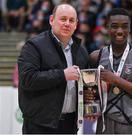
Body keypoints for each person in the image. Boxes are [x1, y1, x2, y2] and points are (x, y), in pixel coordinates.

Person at [18, 3, 89, 134]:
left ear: (76, 25)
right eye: (63, 19)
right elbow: (27, 79)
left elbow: (86, 85)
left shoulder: (81, 51)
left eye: (71, 20)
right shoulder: (33, 46)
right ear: (51, 20)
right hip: (39, 125)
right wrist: (62, 75)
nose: (67, 23)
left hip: (70, 124)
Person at [89, 8, 132, 134]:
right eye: (114, 26)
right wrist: (90, 108)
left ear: (130, 28)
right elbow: (90, 92)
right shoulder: (95, 56)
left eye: (124, 27)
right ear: (107, 27)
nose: (120, 31)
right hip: (104, 125)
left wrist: (116, 79)